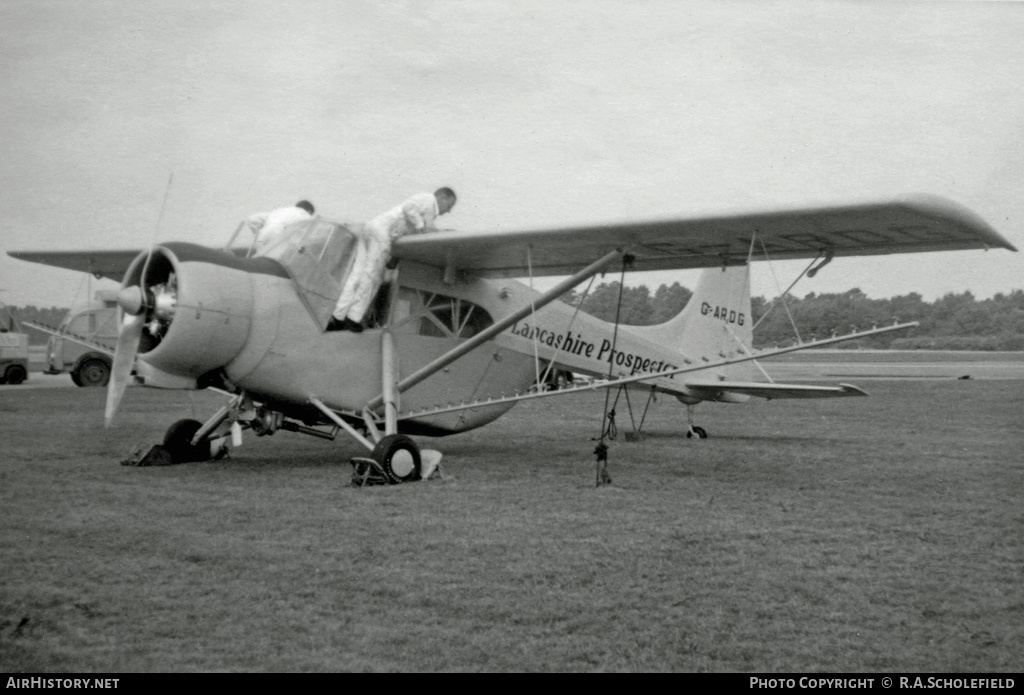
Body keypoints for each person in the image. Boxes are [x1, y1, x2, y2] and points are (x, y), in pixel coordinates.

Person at [330, 188, 456, 331]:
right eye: (449, 206)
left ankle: (337, 316)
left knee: (357, 274)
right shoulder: (429, 201)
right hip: (381, 234)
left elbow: (412, 228)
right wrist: (423, 227)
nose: (448, 211)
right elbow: (409, 209)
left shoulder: (425, 204)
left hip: (371, 228)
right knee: (372, 277)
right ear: (443, 198)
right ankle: (353, 318)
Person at [246, 200, 315, 254]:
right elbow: (306, 233)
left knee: (261, 263)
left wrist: (258, 232)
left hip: (262, 236)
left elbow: (252, 219)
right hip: (279, 236)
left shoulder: (279, 211)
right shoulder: (306, 215)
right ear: (309, 211)